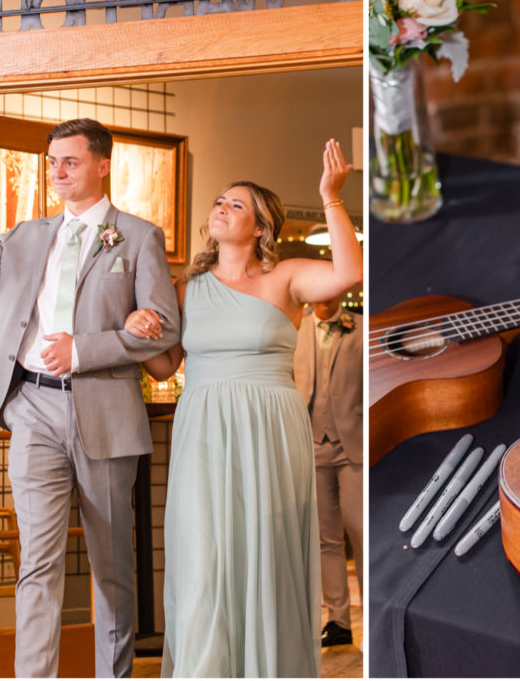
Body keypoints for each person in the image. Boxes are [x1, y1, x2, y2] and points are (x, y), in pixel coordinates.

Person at [0, 114, 180, 677]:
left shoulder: (138, 237)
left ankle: (115, 674)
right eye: (53, 161)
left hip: (105, 411)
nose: (58, 171)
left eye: (72, 161)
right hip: (32, 408)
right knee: (38, 560)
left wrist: (86, 350)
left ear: (102, 165)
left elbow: (165, 328)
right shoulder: (25, 236)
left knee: (112, 566)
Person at [127, 139, 362, 677]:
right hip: (203, 425)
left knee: (266, 552)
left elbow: (349, 274)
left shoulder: (287, 277)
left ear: (260, 227)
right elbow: (166, 368)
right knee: (204, 556)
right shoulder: (186, 288)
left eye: (236, 204)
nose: (221, 208)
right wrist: (138, 334)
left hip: (270, 430)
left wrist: (331, 197)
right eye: (219, 201)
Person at [293, 298, 363, 648]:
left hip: (353, 445)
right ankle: (338, 622)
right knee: (326, 538)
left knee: (359, 529)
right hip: (310, 442)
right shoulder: (295, 327)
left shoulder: (360, 327)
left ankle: (371, 611)